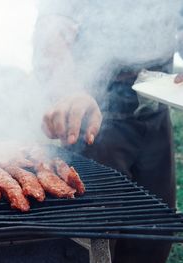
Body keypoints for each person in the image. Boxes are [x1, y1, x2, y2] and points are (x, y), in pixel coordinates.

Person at [33, 1, 183, 262]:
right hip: (95, 115)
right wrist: (68, 89)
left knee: (155, 232)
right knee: (96, 238)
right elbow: (52, 27)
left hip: (156, 110)